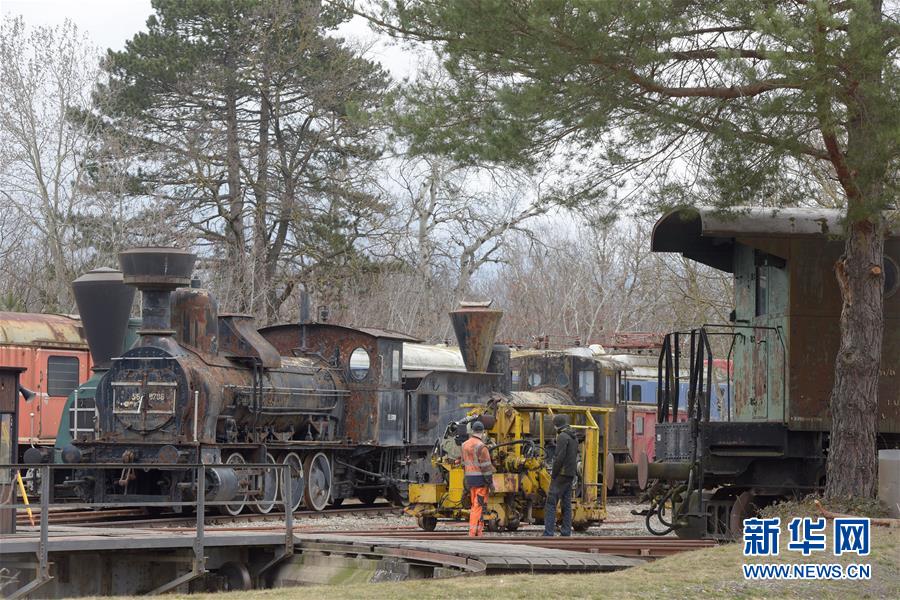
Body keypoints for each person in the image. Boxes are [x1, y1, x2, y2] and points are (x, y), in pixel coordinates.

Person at [543, 413, 578, 536]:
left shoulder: (562, 437)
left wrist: (554, 474)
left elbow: (559, 458)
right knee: (566, 504)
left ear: (557, 425)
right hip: (570, 474)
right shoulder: (573, 437)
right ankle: (566, 532)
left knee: (551, 503)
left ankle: (548, 533)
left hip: (561, 475)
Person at [461, 420, 494, 537]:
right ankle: (472, 532)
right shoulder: (481, 446)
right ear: (483, 432)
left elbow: (463, 462)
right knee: (478, 506)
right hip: (481, 481)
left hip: (470, 480)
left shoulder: (464, 445)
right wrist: (490, 483)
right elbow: (486, 467)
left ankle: (479, 532)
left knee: (476, 505)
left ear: (472, 431)